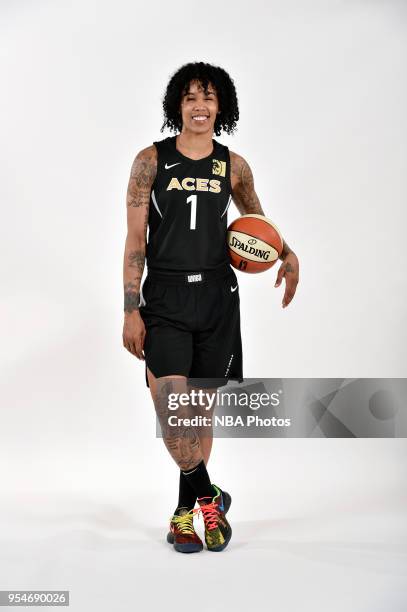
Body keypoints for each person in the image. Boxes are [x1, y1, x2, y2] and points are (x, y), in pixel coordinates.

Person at [122, 62, 299, 553]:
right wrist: (130, 308)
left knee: (199, 415)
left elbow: (256, 220)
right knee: (172, 412)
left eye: (210, 98)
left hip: (218, 298)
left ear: (222, 107)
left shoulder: (233, 165)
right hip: (166, 299)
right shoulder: (149, 162)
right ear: (177, 104)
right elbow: (136, 238)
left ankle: (184, 515)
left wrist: (286, 253)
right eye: (191, 97)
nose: (200, 106)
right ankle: (210, 498)